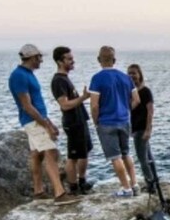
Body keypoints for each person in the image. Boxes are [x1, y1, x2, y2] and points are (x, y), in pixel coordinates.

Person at [7, 44, 81, 205]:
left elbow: (36, 103)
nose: (41, 60)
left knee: (37, 154)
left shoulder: (27, 74)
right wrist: (45, 125)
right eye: (39, 57)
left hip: (36, 119)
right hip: (33, 121)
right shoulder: (19, 76)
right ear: (32, 57)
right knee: (50, 152)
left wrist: (49, 122)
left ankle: (38, 191)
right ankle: (59, 194)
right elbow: (27, 105)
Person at [89, 46, 140, 197]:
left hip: (106, 121)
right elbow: (137, 99)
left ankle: (126, 188)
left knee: (115, 157)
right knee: (126, 153)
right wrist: (126, 109)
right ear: (114, 60)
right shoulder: (126, 78)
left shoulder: (97, 78)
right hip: (124, 120)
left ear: (99, 60)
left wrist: (96, 121)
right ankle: (134, 184)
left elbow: (94, 105)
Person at [51, 46, 94, 195]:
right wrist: (83, 98)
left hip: (80, 120)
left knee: (84, 152)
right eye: (69, 59)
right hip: (73, 122)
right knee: (73, 155)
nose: (72, 61)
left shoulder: (65, 79)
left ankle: (82, 181)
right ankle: (73, 187)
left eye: (71, 58)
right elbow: (64, 104)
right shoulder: (58, 81)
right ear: (60, 61)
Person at [127, 64, 155, 190]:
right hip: (135, 128)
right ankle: (154, 180)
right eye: (129, 73)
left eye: (134, 73)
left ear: (140, 75)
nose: (132, 76)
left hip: (142, 128)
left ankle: (150, 183)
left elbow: (150, 110)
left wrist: (148, 129)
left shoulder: (145, 91)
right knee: (148, 156)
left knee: (143, 158)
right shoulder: (131, 92)